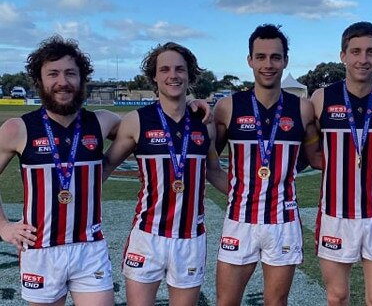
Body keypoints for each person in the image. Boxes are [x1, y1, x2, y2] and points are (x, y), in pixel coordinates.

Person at [102, 42, 227, 306]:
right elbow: (104, 168)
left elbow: (214, 172)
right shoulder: (137, 121)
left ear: (190, 75)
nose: (173, 75)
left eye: (180, 69)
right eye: (165, 69)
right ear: (155, 76)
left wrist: (254, 196)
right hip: (147, 236)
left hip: (190, 238)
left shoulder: (205, 122)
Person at [0, 35, 120, 305]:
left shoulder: (102, 122)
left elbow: (146, 129)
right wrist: (4, 226)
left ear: (82, 79)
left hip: (89, 248)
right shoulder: (18, 129)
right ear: (39, 81)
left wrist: (193, 106)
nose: (62, 82)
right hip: (40, 250)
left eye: (70, 73)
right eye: (53, 74)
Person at [213, 24, 320, 306]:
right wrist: (239, 193)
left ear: (285, 60)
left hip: (283, 223)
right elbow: (209, 163)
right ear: (249, 60)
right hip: (240, 222)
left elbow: (314, 158)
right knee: (226, 301)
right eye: (260, 57)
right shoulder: (227, 107)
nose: (268, 64)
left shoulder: (303, 109)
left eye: (275, 57)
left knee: (276, 302)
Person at [310, 22, 372, 306]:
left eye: (370, 52)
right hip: (335, 215)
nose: (363, 59)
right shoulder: (321, 98)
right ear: (343, 55)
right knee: (337, 297)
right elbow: (311, 152)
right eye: (355, 52)